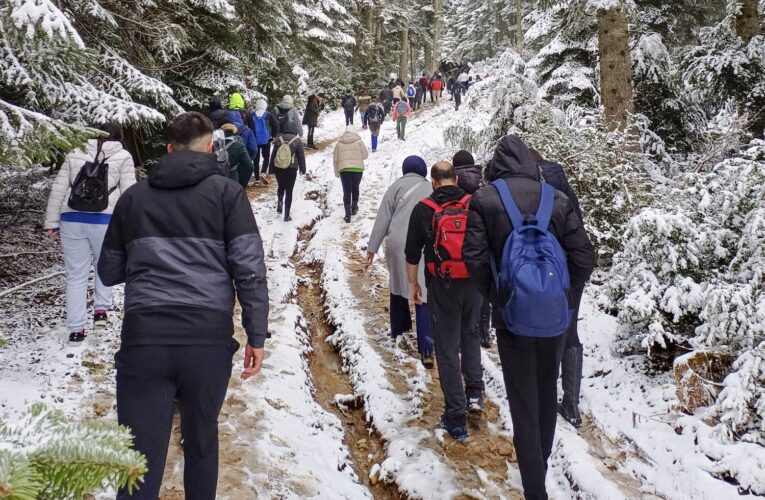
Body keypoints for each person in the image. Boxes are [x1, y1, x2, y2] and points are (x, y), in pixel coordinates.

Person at [97, 112, 268, 500]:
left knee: (138, 457)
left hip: (144, 340)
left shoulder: (134, 197)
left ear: (169, 148)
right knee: (202, 441)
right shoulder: (228, 195)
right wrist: (257, 334)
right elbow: (250, 270)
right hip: (207, 342)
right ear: (211, 148)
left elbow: (108, 271)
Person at [463, 135, 595, 500]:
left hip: (512, 318)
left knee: (522, 401)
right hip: (554, 317)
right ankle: (542, 464)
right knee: (545, 391)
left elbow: (473, 258)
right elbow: (584, 257)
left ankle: (535, 489)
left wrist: (498, 295)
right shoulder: (558, 199)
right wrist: (564, 297)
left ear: (497, 166)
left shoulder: (485, 199)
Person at [404, 161, 484, 441]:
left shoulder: (424, 208)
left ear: (433, 181)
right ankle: (475, 394)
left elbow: (412, 253)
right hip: (474, 283)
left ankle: (456, 417)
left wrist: (414, 285)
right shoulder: (473, 203)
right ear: (456, 179)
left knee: (447, 348)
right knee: (471, 334)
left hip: (442, 284)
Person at [43, 124, 136, 346]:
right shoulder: (123, 156)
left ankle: (76, 330)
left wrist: (51, 223)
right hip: (105, 220)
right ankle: (101, 312)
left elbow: (58, 188)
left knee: (75, 274)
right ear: (119, 137)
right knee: (104, 265)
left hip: (72, 219)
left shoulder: (74, 151)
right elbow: (129, 193)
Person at [530, 148, 586, 429]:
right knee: (571, 329)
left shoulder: (535, 189)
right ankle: (572, 403)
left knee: (546, 331)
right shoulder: (564, 184)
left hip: (547, 270)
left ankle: (544, 395)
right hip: (575, 265)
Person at [367, 156, 434, 368]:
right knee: (421, 291)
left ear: (405, 170)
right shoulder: (430, 189)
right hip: (423, 244)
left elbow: (382, 219)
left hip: (397, 244)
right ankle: (426, 348)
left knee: (397, 286)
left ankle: (399, 331)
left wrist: (372, 248)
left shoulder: (395, 187)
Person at [452, 150, 493, 349]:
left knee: (462, 290)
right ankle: (485, 331)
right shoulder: (483, 180)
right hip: (483, 240)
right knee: (483, 289)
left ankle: (462, 332)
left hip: (459, 241)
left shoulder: (453, 181)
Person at [270, 116, 307, 222]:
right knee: (289, 191)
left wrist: (271, 169)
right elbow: (301, 156)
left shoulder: (279, 140)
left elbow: (273, 155)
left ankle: (280, 201)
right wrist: (302, 168)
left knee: (280, 186)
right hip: (291, 168)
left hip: (279, 167)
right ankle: (286, 215)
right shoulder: (297, 140)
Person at [333, 126, 369, 223]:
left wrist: (337, 172)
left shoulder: (339, 144)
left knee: (347, 191)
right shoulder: (359, 142)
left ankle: (347, 214)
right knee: (355, 188)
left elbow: (335, 160)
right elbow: (365, 155)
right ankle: (354, 207)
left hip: (344, 169)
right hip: (357, 169)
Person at [220, 121, 254, 187]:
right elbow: (249, 167)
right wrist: (242, 185)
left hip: (213, 182)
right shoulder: (238, 146)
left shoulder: (212, 143)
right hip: (232, 180)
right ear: (235, 132)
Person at [226, 92, 258, 162]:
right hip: (245, 144)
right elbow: (253, 128)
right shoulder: (247, 113)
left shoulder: (226, 114)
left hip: (229, 151)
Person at [251, 98, 278, 183]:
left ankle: (256, 178)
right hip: (266, 139)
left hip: (255, 139)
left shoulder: (252, 115)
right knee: (266, 157)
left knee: (256, 158)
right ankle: (263, 172)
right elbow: (276, 125)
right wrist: (273, 136)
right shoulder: (268, 114)